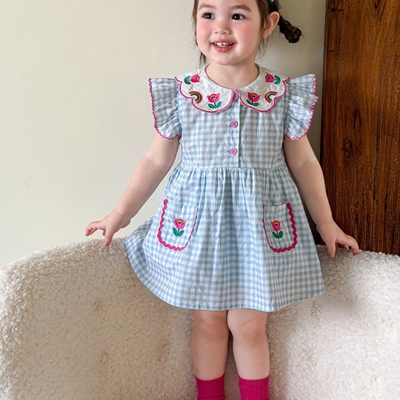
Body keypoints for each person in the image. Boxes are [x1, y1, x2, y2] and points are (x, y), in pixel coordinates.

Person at [86, 0, 359, 398]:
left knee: (249, 325)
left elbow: (303, 162)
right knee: (210, 322)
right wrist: (120, 213)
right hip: (201, 231)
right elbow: (155, 160)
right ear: (195, 20)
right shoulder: (183, 93)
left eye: (238, 15)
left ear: (268, 24)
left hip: (259, 231)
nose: (221, 27)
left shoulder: (281, 94)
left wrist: (326, 223)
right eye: (209, 14)